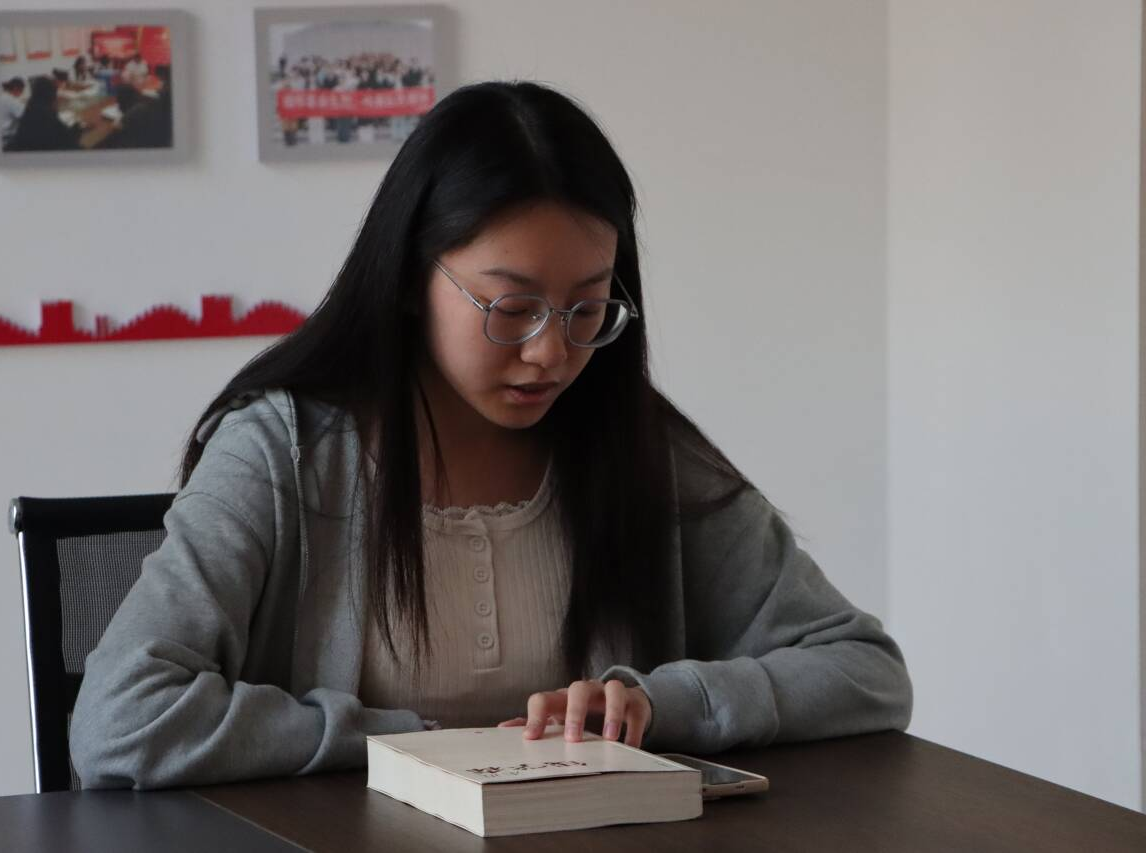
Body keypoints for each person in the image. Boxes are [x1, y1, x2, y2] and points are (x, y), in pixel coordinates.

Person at [70, 81, 913, 790]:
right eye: (511, 307)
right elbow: (123, 719)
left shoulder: (637, 448)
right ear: (411, 277)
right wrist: (411, 746)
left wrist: (662, 704)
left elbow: (865, 670)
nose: (551, 352)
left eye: (587, 308)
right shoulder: (283, 454)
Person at [4, 76, 81, 152]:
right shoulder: (45, 113)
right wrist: (77, 128)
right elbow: (66, 136)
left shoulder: (31, 107)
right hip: (10, 138)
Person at [0, 78, 26, 146]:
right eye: (22, 91)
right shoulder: (12, 100)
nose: (21, 94)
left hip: (1, 135)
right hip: (9, 137)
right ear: (16, 88)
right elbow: (25, 117)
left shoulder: (1, 97)